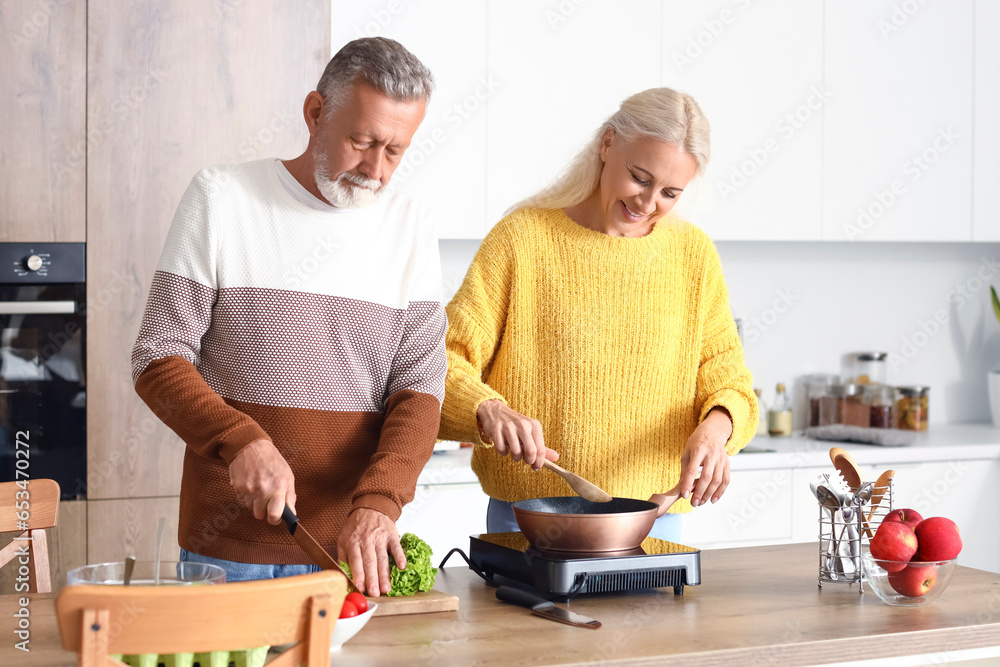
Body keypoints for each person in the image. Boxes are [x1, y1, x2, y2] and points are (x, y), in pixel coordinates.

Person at [131, 37, 445, 595]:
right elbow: (156, 358)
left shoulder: (410, 226)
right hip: (227, 550)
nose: (375, 169)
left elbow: (420, 388)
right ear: (315, 112)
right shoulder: (222, 197)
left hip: (352, 548)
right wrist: (241, 440)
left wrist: (382, 500)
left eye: (395, 151)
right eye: (362, 141)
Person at [438, 87, 756, 541]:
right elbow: (442, 360)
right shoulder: (523, 239)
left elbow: (731, 383)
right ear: (608, 144)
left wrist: (716, 429)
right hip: (533, 516)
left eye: (669, 192)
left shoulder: (693, 255)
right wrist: (487, 408)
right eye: (640, 178)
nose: (648, 203)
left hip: (654, 515)